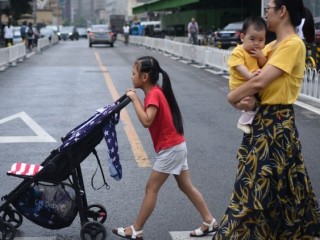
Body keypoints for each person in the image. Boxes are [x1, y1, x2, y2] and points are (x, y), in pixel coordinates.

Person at [213, 0, 320, 239]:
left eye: (268, 9)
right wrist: (245, 99)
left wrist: (232, 97)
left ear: (282, 11)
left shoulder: (293, 45)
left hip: (277, 125)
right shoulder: (272, 46)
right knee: (269, 188)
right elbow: (251, 76)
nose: (265, 15)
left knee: (257, 187)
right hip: (263, 122)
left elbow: (261, 81)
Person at [112, 56, 217, 239]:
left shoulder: (153, 94)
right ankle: (209, 221)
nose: (131, 77)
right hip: (176, 146)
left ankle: (136, 229)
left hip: (171, 149)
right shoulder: (155, 91)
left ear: (144, 77)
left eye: (134, 73)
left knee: (151, 188)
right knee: (186, 186)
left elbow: (147, 121)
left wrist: (134, 99)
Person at [228, 16, 267, 134]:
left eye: (260, 40)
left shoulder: (259, 52)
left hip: (250, 84)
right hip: (240, 86)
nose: (256, 43)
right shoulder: (238, 51)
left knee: (254, 105)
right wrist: (250, 76)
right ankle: (243, 122)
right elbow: (240, 67)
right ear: (242, 37)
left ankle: (246, 121)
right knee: (251, 104)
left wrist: (261, 57)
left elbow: (265, 65)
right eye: (252, 39)